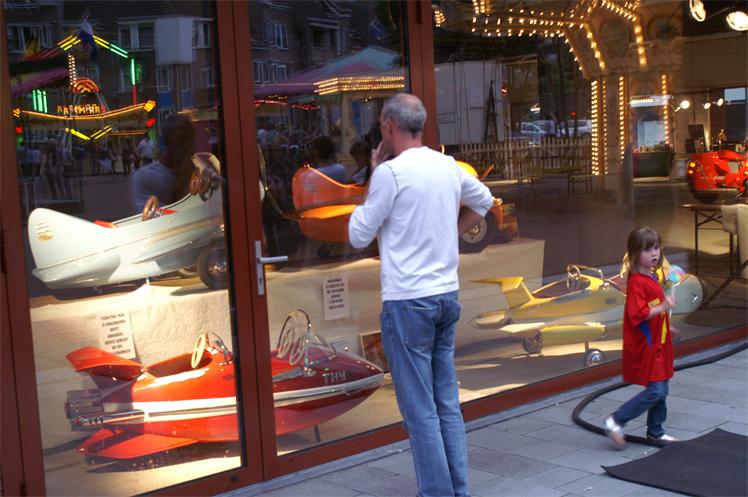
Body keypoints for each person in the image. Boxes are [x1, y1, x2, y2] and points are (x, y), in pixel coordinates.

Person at [348, 93, 494, 497]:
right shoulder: (446, 165)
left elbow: (357, 234)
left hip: (408, 300)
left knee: (420, 410)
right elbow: (484, 201)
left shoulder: (390, 174)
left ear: (389, 125)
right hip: (446, 294)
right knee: (445, 402)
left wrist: (373, 175)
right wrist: (452, 231)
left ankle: (438, 493)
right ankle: (457, 490)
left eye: (381, 124)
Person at [605, 226, 678, 450]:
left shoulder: (651, 276)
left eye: (656, 248)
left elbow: (653, 309)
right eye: (647, 249)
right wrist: (664, 306)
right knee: (657, 390)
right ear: (635, 253)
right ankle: (616, 420)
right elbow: (637, 313)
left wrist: (667, 325)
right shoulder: (638, 282)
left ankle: (656, 431)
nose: (654, 253)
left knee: (662, 389)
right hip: (648, 345)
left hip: (659, 343)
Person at [131, 115, 196, 212]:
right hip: (146, 160)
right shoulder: (143, 177)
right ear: (168, 141)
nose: (189, 149)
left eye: (190, 142)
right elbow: (150, 214)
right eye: (181, 141)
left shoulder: (193, 170)